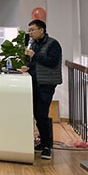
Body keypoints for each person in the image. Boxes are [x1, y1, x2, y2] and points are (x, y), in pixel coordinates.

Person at [21, 19, 62, 160]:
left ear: (41, 30)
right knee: (36, 114)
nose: (30, 33)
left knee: (42, 114)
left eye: (32, 30)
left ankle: (47, 146)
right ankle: (43, 143)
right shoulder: (34, 44)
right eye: (29, 30)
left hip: (47, 84)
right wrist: (28, 67)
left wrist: (34, 55)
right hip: (34, 82)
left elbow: (52, 62)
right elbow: (36, 64)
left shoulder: (53, 44)